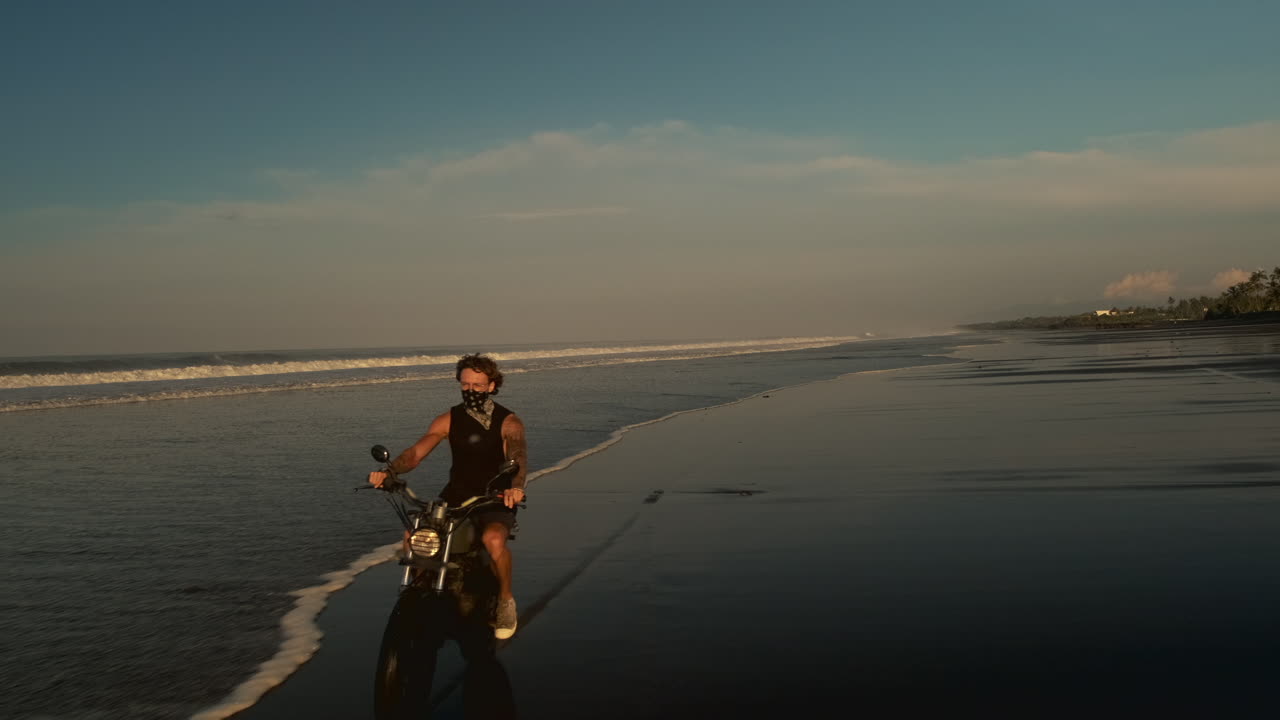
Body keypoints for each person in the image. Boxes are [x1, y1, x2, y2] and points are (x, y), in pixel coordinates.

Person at [369, 353, 528, 639]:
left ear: (492, 385)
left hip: (495, 495)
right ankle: (417, 595)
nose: (471, 391)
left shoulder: (509, 421)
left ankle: (505, 600)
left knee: (493, 540)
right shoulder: (448, 419)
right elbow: (417, 453)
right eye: (465, 385)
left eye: (478, 386)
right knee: (413, 537)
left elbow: (517, 455)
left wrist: (516, 487)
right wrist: (389, 471)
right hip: (456, 493)